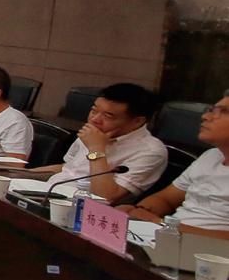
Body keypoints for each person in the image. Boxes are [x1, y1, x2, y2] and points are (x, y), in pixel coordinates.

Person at [30, 83, 167, 203]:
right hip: (48, 193)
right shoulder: (95, 131)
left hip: (82, 208)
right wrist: (24, 173)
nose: (95, 119)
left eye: (108, 116)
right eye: (94, 110)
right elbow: (68, 168)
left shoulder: (151, 151)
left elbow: (105, 196)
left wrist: (96, 148)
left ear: (137, 121)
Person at [126, 93, 229, 232]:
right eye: (212, 110)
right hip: (169, 236)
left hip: (198, 243)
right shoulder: (210, 156)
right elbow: (166, 199)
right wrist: (137, 211)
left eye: (224, 112)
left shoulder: (150, 149)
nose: (206, 116)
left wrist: (161, 224)